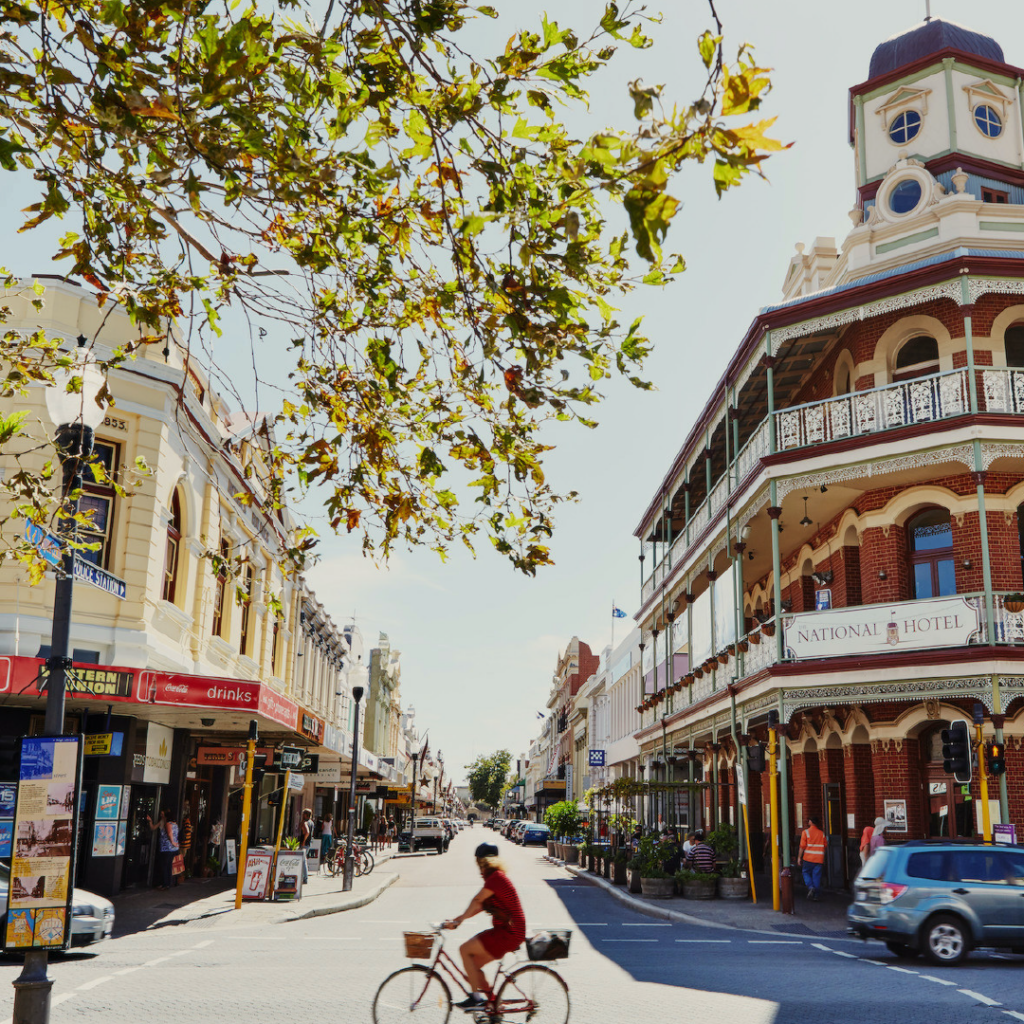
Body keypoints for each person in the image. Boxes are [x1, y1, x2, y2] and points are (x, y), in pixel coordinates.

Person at [443, 843, 526, 1012]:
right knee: (472, 969)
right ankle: (493, 1004)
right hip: (507, 931)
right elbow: (479, 907)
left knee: (465, 950)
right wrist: (457, 920)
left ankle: (477, 999)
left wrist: (458, 922)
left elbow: (477, 901)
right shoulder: (495, 878)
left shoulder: (496, 878)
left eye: (479, 864)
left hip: (509, 932)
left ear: (485, 862)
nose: (478, 869)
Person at [146, 808, 179, 890]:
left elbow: (169, 834)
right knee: (168, 866)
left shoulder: (168, 824)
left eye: (162, 814)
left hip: (166, 847)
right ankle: (167, 883)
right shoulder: (175, 824)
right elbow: (153, 827)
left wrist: (172, 842)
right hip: (173, 848)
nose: (161, 815)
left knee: (164, 865)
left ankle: (165, 884)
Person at [798, 816, 826, 900]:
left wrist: (799, 857)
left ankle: (810, 887)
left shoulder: (805, 832)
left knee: (805, 872)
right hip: (819, 858)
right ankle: (816, 895)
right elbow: (825, 845)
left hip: (808, 858)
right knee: (816, 876)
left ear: (810, 822)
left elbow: (802, 846)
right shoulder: (822, 833)